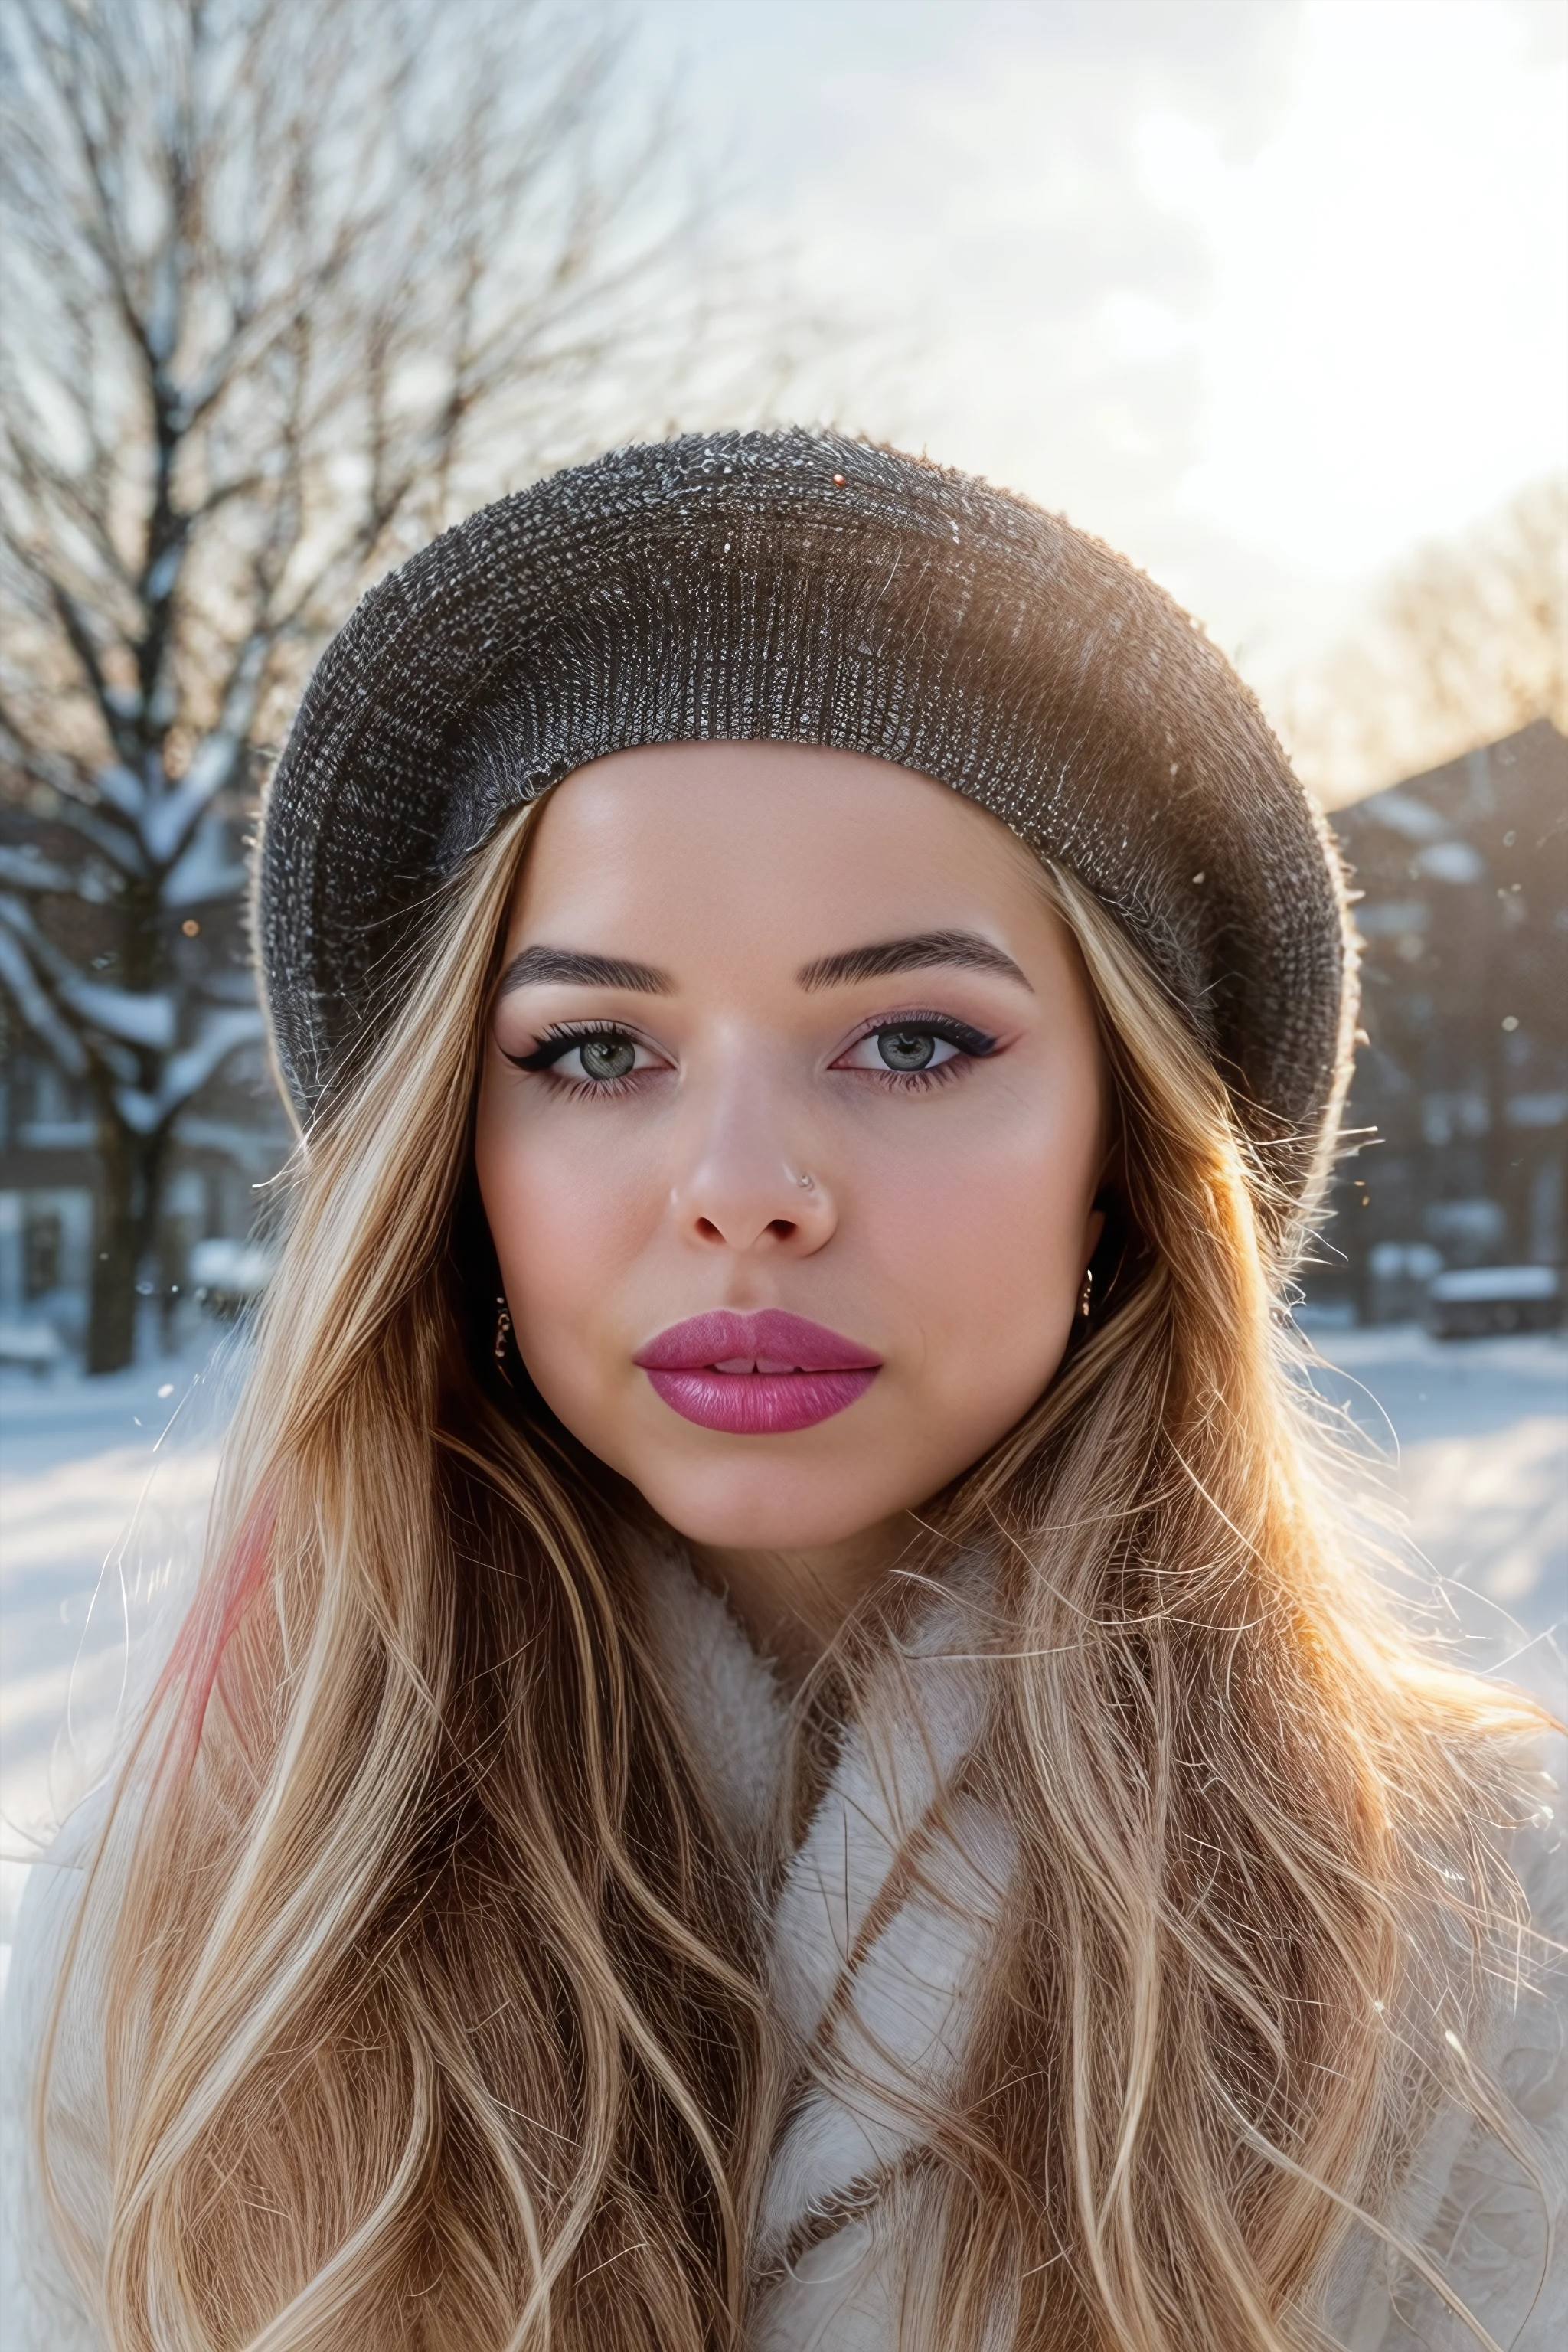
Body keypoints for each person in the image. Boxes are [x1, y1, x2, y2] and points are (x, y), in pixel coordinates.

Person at [4, 430, 1563, 2351]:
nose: (743, 1187)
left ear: (1125, 1147)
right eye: (589, 1050)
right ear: (452, 1161)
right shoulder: (168, 1959)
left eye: (911, 1039)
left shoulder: (1494, 1954)